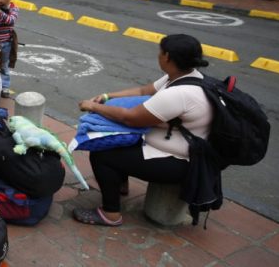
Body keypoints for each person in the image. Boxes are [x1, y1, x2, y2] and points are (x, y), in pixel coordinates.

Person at [74, 34, 212, 226]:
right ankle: (119, 184)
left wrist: (93, 106)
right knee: (118, 137)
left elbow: (130, 118)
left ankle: (110, 213)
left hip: (179, 163)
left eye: (160, 51)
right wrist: (107, 96)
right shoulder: (186, 76)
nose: (158, 55)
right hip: (172, 147)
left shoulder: (178, 94)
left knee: (102, 155)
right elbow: (143, 91)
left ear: (168, 57)